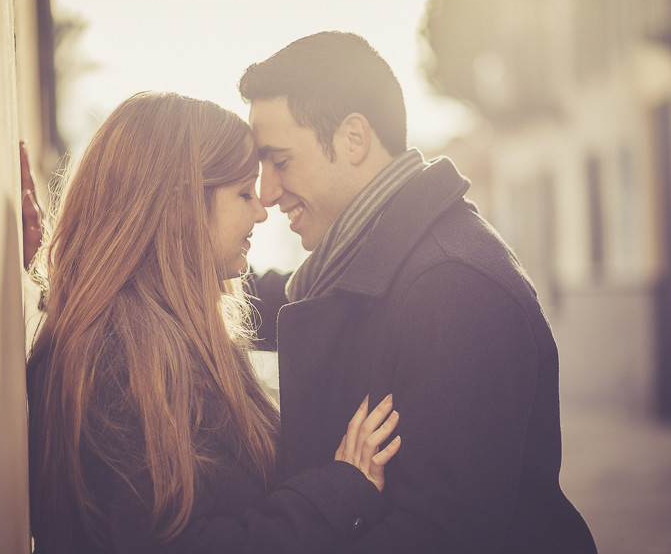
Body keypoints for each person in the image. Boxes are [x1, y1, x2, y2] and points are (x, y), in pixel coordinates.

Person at [239, 31, 597, 553]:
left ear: (354, 138)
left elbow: (443, 535)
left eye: (280, 161)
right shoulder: (367, 265)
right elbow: (290, 301)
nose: (267, 192)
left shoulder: (455, 286)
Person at [25, 91, 402, 554]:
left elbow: (287, 298)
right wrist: (341, 491)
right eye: (244, 191)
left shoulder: (149, 332)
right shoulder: (116, 367)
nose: (261, 210)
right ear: (180, 204)